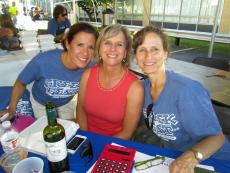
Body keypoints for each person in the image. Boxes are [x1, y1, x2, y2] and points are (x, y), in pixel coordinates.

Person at [132, 25, 230, 172]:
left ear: (165, 53)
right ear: (135, 57)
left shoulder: (187, 90)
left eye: (155, 49)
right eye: (142, 50)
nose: (148, 56)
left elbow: (218, 138)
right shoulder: (142, 89)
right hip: (175, 158)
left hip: (212, 161)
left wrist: (191, 156)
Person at [0, 22, 98, 121]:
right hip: (41, 102)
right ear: (68, 44)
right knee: (46, 130)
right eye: (80, 45)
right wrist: (12, 109)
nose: (85, 53)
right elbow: (20, 83)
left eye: (91, 47)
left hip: (66, 102)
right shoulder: (43, 61)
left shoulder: (91, 65)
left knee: (70, 130)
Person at [76, 24, 144, 140]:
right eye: (107, 43)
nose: (113, 48)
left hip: (113, 144)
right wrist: (85, 138)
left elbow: (127, 132)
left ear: (126, 51)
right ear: (99, 48)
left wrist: (99, 147)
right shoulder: (87, 75)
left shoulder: (135, 88)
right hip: (86, 139)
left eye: (119, 44)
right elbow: (80, 110)